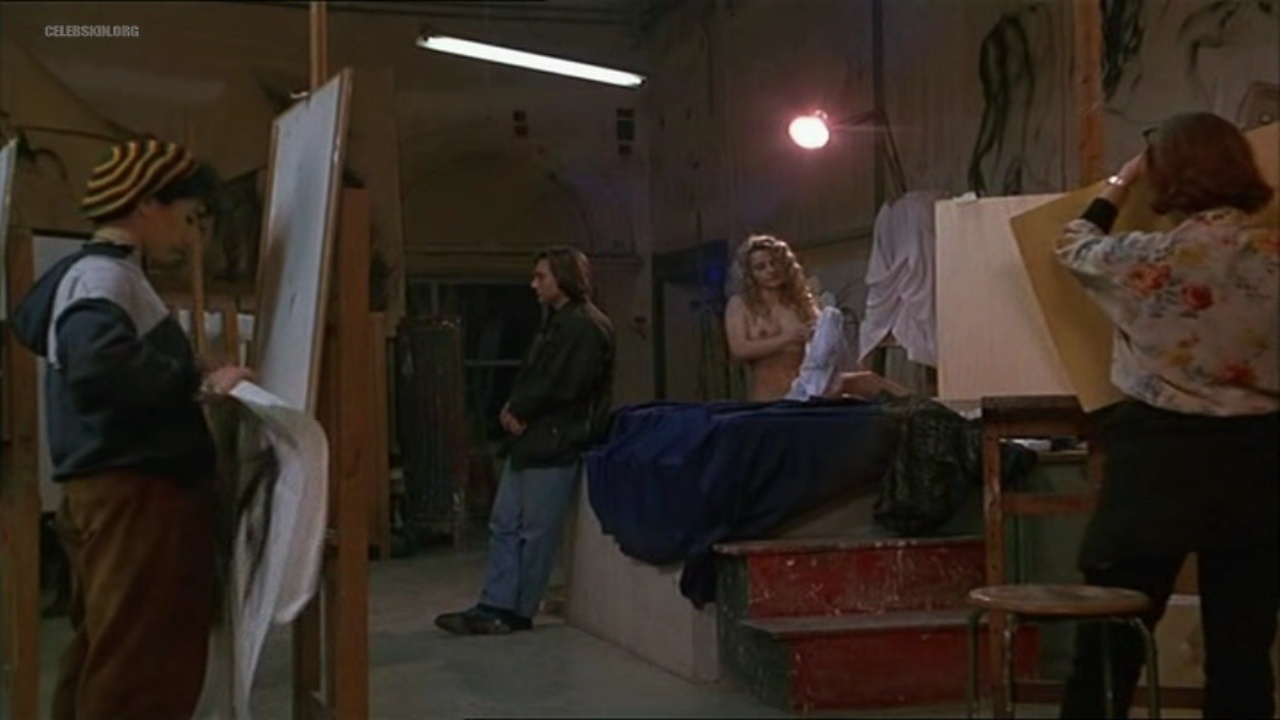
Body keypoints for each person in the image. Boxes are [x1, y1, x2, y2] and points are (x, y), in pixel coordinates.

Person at [11, 137, 254, 720]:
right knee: (143, 665)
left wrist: (189, 366)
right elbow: (99, 367)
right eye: (188, 218)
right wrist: (196, 382)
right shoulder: (104, 276)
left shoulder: (99, 274)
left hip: (118, 490)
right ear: (146, 204)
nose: (191, 238)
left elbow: (108, 362)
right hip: (138, 492)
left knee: (109, 651)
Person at [1054, 112, 1278, 717]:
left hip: (1158, 463)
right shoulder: (1273, 256)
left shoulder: (1145, 257)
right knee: (1242, 652)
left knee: (1112, 645)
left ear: (1166, 174)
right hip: (1259, 461)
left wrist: (1118, 184)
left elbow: (1070, 243)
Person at [435, 247, 615, 635]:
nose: (534, 284)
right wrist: (514, 408)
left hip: (555, 441)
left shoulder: (584, 327)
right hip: (534, 441)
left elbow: (567, 385)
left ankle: (517, 610)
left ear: (563, 278)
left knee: (535, 533)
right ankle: (495, 604)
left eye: (541, 277)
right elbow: (539, 377)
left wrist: (522, 409)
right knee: (504, 523)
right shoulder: (557, 324)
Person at [724, 234, 820, 400]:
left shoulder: (801, 302)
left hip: (805, 397)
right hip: (767, 399)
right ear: (750, 274)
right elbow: (739, 349)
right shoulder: (740, 305)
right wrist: (788, 338)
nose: (771, 270)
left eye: (774, 263)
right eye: (760, 267)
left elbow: (824, 346)